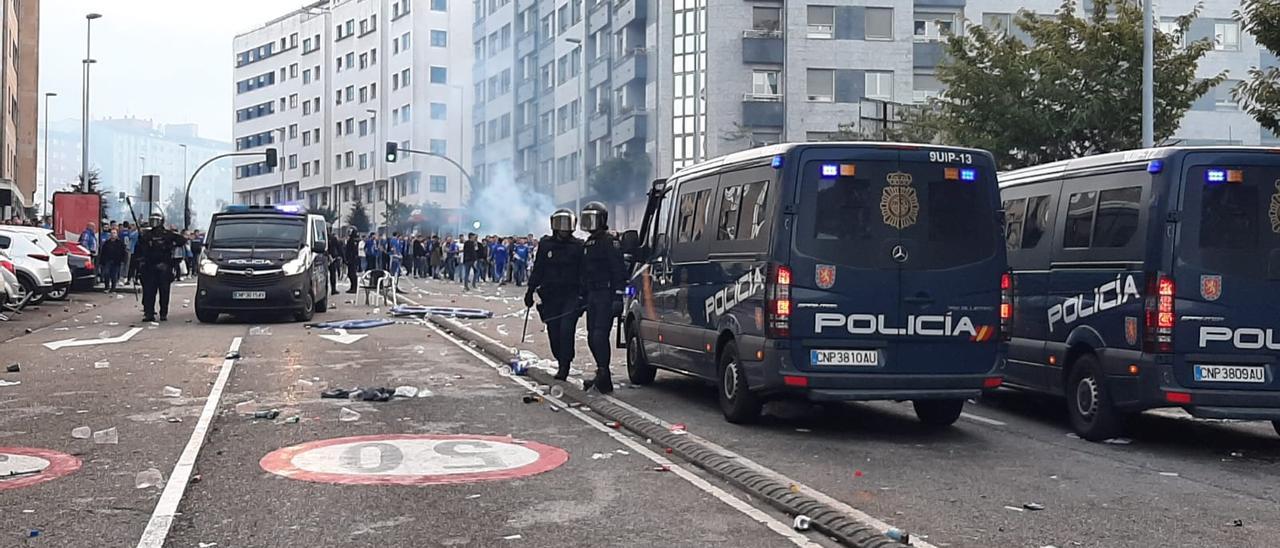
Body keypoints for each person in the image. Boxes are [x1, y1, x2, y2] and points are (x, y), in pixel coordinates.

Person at [525, 209, 585, 380]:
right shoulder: (546, 245)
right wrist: (530, 290)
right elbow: (539, 268)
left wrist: (583, 295)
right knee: (554, 331)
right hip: (550, 295)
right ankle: (560, 359)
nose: (564, 229)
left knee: (566, 330)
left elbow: (584, 272)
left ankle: (565, 364)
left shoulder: (578, 246)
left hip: (571, 295)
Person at [578, 201, 627, 394]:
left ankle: (605, 376)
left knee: (599, 335)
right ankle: (601, 371)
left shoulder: (610, 242)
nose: (590, 223)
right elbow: (583, 272)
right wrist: (582, 295)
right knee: (591, 336)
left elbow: (618, 270)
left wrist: (618, 296)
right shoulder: (588, 243)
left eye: (593, 219)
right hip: (592, 294)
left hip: (606, 294)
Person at [136, 210, 186, 322]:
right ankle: (149, 313)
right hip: (150, 267)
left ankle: (163, 313)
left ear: (161, 222)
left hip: (164, 267)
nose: (154, 223)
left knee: (164, 292)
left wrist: (172, 244)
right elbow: (140, 250)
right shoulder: (147, 235)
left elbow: (182, 240)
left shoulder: (167, 234)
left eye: (156, 221)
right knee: (149, 292)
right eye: (152, 220)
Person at [99, 229, 128, 293]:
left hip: (116, 261)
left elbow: (124, 252)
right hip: (108, 261)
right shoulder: (107, 243)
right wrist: (102, 261)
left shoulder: (120, 243)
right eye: (112, 233)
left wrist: (123, 260)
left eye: (114, 233)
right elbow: (103, 252)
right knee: (106, 273)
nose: (113, 234)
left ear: (116, 234)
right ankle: (106, 287)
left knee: (114, 275)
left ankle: (113, 288)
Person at [326, 230, 344, 295]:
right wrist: (342, 257)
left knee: (326, 275)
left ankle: (327, 290)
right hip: (332, 258)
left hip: (327, 257)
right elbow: (339, 248)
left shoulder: (324, 237)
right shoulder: (332, 238)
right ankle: (333, 289)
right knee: (332, 274)